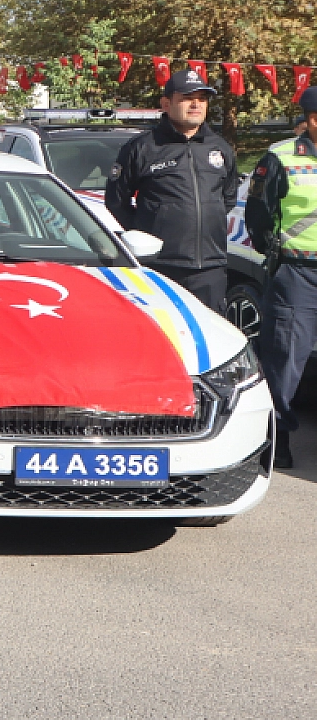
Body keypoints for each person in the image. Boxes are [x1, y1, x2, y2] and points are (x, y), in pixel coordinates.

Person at [104, 69, 237, 313]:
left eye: (202, 98)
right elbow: (116, 200)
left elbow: (227, 198)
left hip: (210, 267)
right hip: (160, 266)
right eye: (187, 97)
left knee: (210, 339)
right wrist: (146, 234)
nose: (196, 104)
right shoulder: (143, 147)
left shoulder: (220, 148)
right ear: (166, 103)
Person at [245, 85, 317, 468]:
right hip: (298, 271)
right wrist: (275, 251)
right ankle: (279, 437)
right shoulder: (281, 156)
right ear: (309, 119)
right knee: (286, 357)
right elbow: (258, 215)